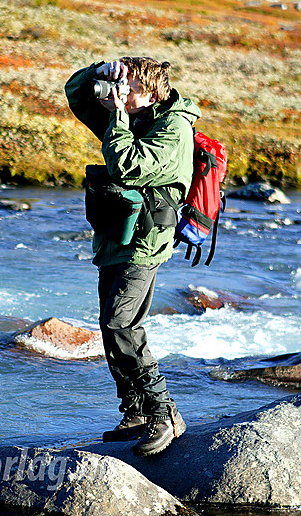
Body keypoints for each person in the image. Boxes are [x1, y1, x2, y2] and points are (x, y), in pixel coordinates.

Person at [65, 57, 200, 456]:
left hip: (145, 241)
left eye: (131, 86)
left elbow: (127, 167)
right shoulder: (133, 114)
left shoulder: (173, 127)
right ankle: (137, 411)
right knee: (110, 327)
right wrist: (99, 74)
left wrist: (119, 117)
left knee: (121, 322)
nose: (122, 93)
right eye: (121, 86)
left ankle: (166, 414)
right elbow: (77, 94)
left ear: (154, 92)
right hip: (116, 237)